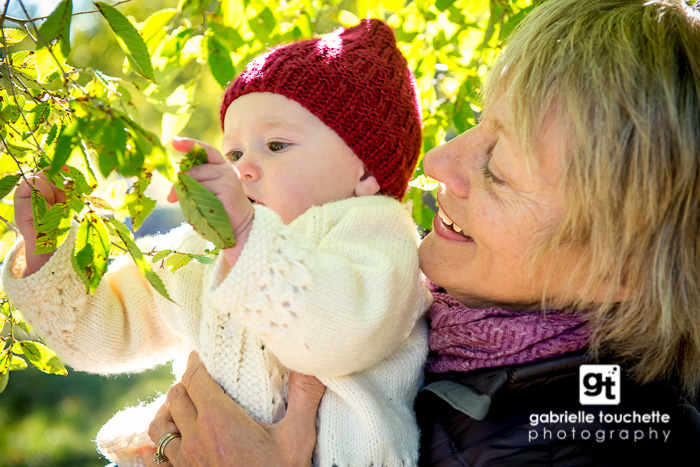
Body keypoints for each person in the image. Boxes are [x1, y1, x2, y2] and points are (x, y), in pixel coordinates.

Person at [141, 0, 700, 465]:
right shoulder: (446, 336)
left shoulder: (598, 443)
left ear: (617, 266)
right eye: (480, 123)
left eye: (499, 169)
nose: (436, 161)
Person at [2, 19, 431, 467]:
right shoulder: (205, 248)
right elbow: (108, 331)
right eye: (235, 154)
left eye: (276, 145)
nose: (243, 169)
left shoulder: (373, 229)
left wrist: (244, 235)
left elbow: (341, 332)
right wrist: (47, 250)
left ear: (366, 172)